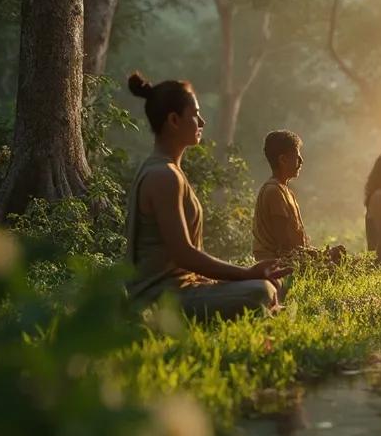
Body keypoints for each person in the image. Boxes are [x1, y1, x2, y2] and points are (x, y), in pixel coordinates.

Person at [123, 72, 288, 319]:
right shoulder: (163, 176)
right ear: (174, 120)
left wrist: (241, 276)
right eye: (195, 114)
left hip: (184, 288)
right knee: (260, 291)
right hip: (161, 300)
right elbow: (184, 255)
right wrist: (246, 273)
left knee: (271, 285)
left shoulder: (167, 170)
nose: (202, 122)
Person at [252, 130, 346, 265]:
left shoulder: (286, 191)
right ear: (283, 160)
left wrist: (323, 254)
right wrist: (322, 257)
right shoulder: (273, 192)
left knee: (339, 255)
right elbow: (285, 247)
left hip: (294, 259)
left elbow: (296, 246)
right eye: (297, 157)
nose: (301, 161)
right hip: (276, 265)